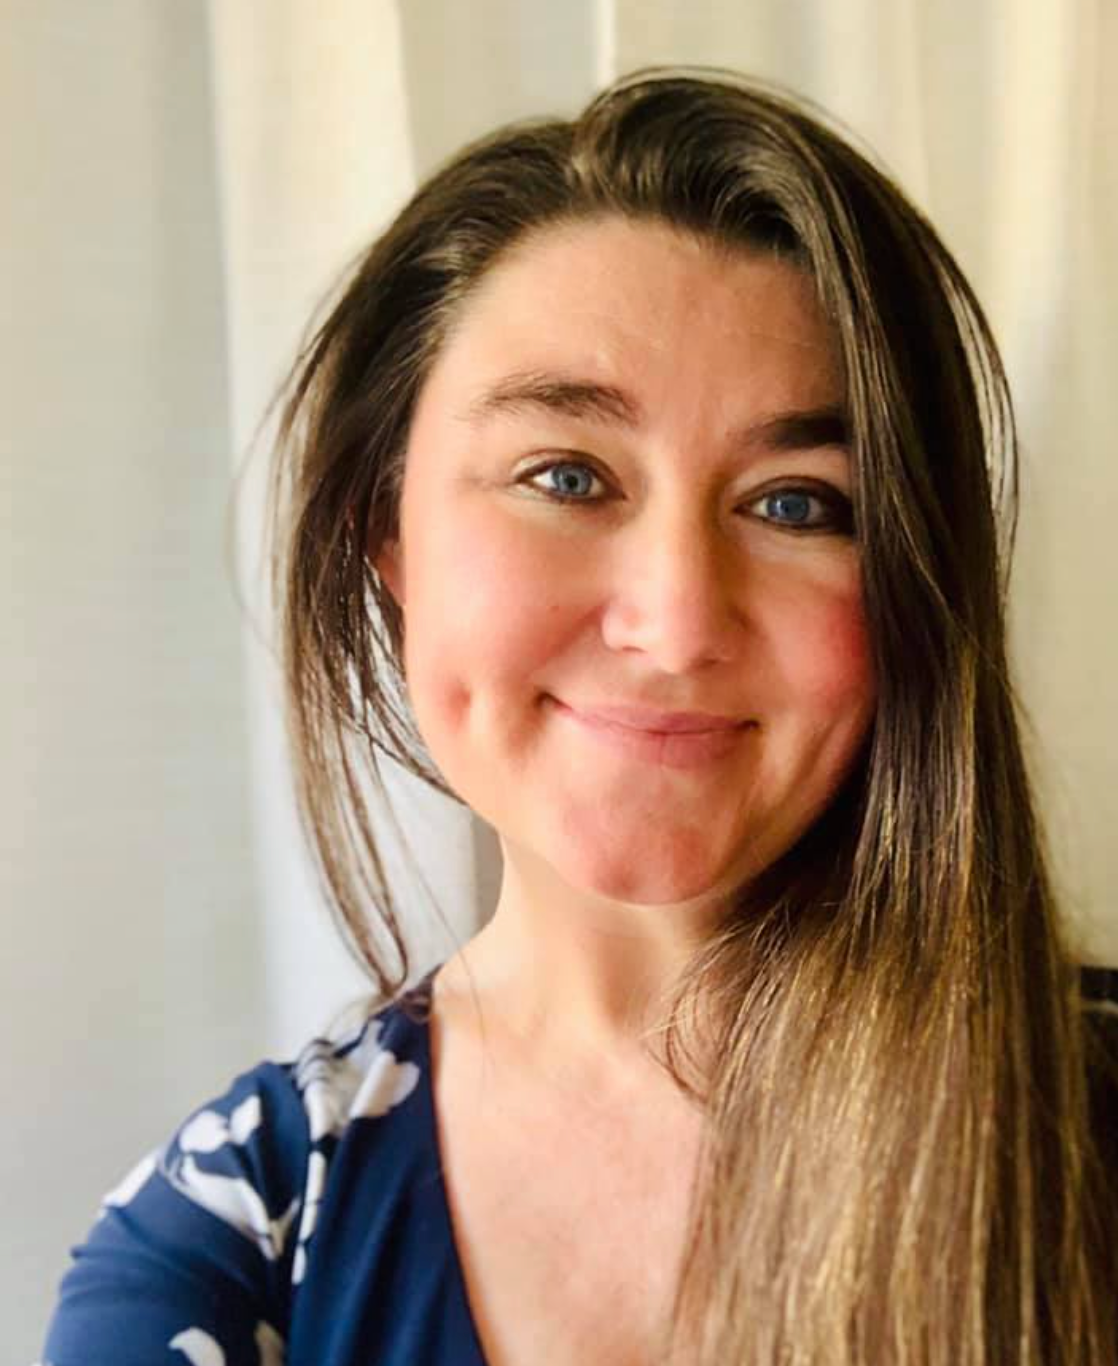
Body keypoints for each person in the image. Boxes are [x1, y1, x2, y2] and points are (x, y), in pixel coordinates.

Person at [39, 66, 1118, 1366]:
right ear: (388, 535)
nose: (676, 621)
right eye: (565, 476)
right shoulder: (227, 1245)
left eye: (795, 503)